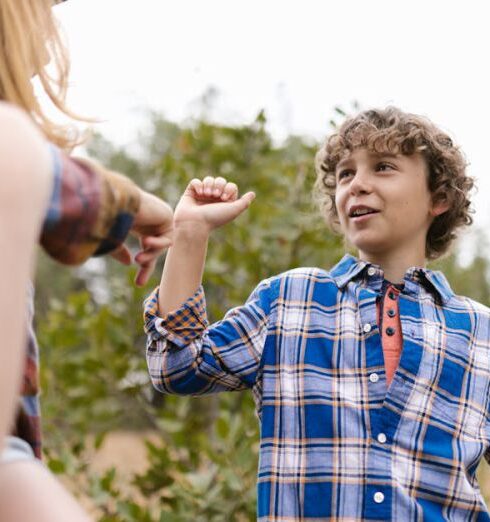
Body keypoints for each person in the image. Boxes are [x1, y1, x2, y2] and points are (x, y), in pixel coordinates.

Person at [144, 106, 490, 521]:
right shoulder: (289, 299)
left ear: (440, 198)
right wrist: (189, 235)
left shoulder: (479, 332)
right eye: (345, 174)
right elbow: (176, 366)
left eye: (382, 167)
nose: (357, 184)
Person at [0, 0, 173, 519]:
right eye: (46, 10)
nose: (51, 36)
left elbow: (73, 189)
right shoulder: (10, 144)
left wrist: (138, 207)